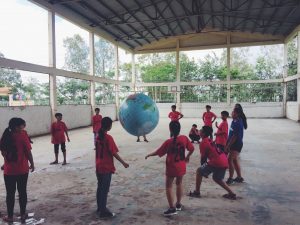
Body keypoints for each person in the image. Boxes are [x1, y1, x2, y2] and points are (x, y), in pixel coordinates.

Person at [145, 121, 194, 216]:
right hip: (181, 165)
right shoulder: (184, 138)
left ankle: (172, 208)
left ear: (170, 129)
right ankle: (178, 204)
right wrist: (187, 157)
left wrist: (149, 154)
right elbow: (192, 149)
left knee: (169, 186)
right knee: (179, 184)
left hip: (171, 167)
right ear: (179, 128)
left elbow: (158, 152)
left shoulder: (168, 142)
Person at [0, 118, 35, 223]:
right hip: (22, 170)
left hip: (9, 171)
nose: (23, 128)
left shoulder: (5, 137)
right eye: (22, 126)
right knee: (22, 192)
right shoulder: (22, 136)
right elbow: (28, 152)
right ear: (16, 127)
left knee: (10, 194)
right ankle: (23, 214)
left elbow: (4, 153)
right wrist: (32, 163)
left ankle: (10, 216)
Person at [189, 126, 236, 200]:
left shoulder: (203, 143)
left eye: (201, 130)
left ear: (203, 134)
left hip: (217, 161)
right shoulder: (209, 139)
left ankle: (197, 192)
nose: (199, 131)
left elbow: (203, 159)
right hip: (224, 160)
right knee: (217, 178)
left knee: (199, 171)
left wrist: (203, 171)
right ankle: (231, 193)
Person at [96, 117, 129, 218]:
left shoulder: (98, 136)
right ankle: (103, 211)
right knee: (104, 189)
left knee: (100, 187)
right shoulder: (108, 138)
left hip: (98, 166)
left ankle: (99, 207)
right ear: (109, 126)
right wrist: (123, 162)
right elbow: (113, 152)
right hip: (106, 167)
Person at [225, 107, 245, 185]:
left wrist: (228, 146)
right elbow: (231, 134)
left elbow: (235, 136)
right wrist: (227, 142)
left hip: (236, 144)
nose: (232, 113)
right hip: (233, 143)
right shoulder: (234, 121)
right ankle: (239, 177)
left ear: (237, 114)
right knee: (235, 160)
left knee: (229, 159)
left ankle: (230, 178)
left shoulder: (238, 123)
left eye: (233, 112)